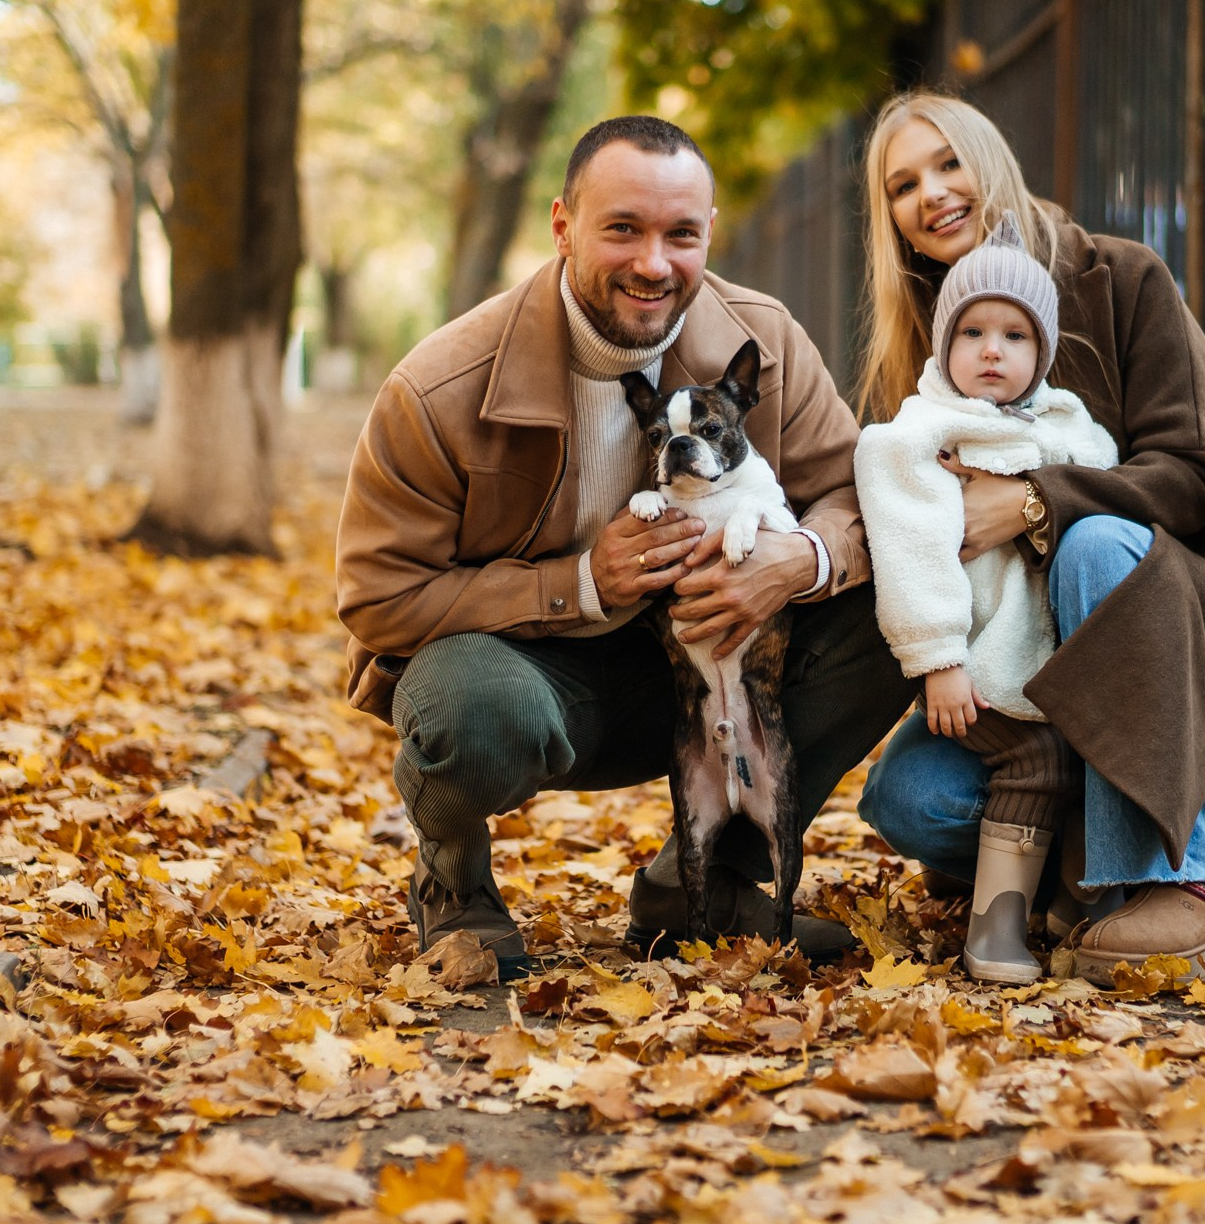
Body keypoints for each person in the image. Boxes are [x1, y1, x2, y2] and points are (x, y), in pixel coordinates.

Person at [334, 115, 914, 974]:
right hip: (529, 678)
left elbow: (855, 495)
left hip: (705, 668)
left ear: (709, 232)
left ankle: (704, 882)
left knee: (904, 593)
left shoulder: (764, 342)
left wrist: (799, 560)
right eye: (622, 229)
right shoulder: (438, 387)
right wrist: (578, 583)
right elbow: (379, 598)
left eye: (681, 235)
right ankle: (455, 882)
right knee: (473, 707)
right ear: (563, 226)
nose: (653, 263)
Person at [852, 93, 1205, 980]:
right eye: (902, 185)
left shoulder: (1123, 278)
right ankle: (1091, 878)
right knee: (908, 798)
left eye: (949, 163)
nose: (930, 193)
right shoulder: (928, 355)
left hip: (1188, 611)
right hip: (1028, 659)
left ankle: (1179, 883)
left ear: (992, 159)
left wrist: (1033, 501)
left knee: (1093, 543)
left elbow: (1192, 477)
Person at [855, 230, 1118, 983]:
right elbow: (909, 554)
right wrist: (937, 658)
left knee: (1074, 759)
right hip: (972, 660)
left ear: (1044, 350)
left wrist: (1038, 489)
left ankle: (1071, 898)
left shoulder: (1062, 422)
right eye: (972, 333)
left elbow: (1104, 473)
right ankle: (995, 934)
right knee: (1033, 757)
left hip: (1052, 657)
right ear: (944, 346)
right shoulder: (917, 435)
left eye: (1015, 335)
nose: (992, 351)